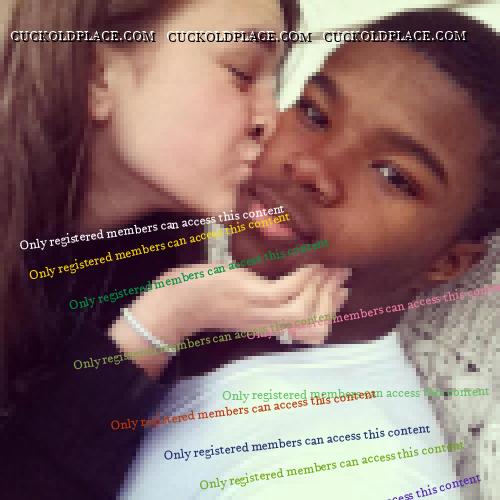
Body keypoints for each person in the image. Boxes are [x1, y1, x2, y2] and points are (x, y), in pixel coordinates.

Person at [121, 8, 499, 499]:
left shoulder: (359, 477)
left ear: (446, 262)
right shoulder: (157, 270)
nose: (309, 167)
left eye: (392, 176)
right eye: (315, 115)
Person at [1, 1, 346, 498]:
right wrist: (157, 326)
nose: (270, 121)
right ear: (97, 75)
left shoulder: (153, 256)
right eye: (242, 73)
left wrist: (175, 315)